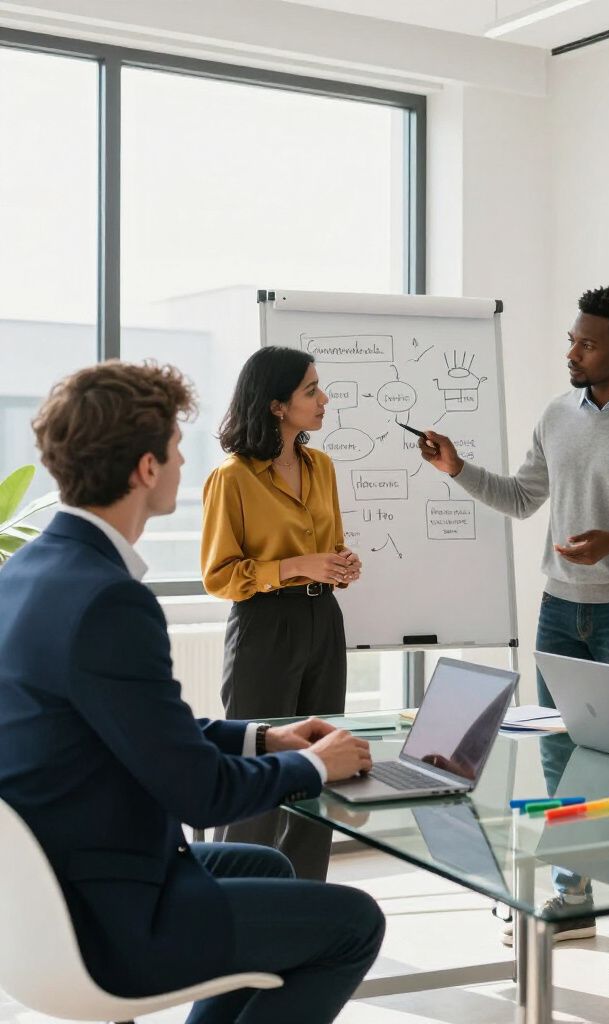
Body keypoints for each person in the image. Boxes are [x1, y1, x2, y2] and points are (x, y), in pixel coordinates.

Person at [0, 361, 383, 1024]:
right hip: (106, 916)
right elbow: (200, 792)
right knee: (354, 923)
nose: (184, 463)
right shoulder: (109, 600)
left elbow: (144, 727)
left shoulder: (30, 569)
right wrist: (317, 766)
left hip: (49, 887)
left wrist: (264, 737)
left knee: (265, 867)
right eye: (177, 449)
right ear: (147, 468)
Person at [419, 285, 609, 970]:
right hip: (558, 609)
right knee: (559, 757)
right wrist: (457, 469)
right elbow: (523, 498)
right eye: (572, 340)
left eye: (586, 343)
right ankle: (572, 896)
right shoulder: (556, 414)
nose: (572, 352)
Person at [202, 346, 361, 881]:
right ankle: (236, 899)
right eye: (311, 390)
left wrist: (340, 564)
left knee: (322, 769)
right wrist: (295, 566)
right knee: (258, 775)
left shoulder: (322, 467)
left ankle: (304, 899)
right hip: (264, 626)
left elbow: (330, 546)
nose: (324, 399)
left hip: (324, 620)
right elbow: (219, 576)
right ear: (276, 405)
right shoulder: (233, 477)